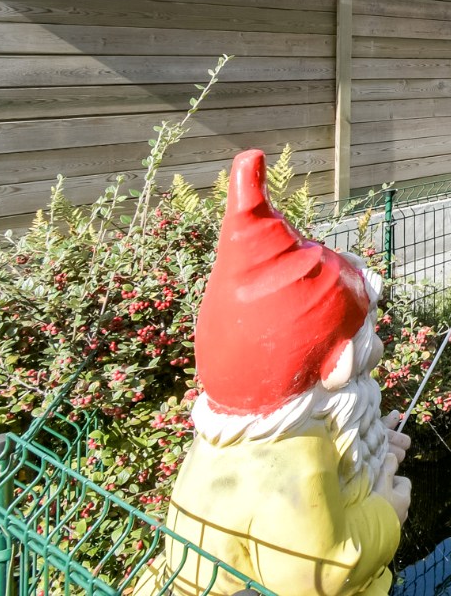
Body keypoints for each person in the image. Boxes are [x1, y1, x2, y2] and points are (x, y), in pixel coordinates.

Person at [143, 150, 411, 596]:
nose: (378, 351)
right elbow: (320, 573)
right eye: (369, 339)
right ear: (335, 363)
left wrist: (370, 445)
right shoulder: (297, 463)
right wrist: (386, 511)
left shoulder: (236, 443)